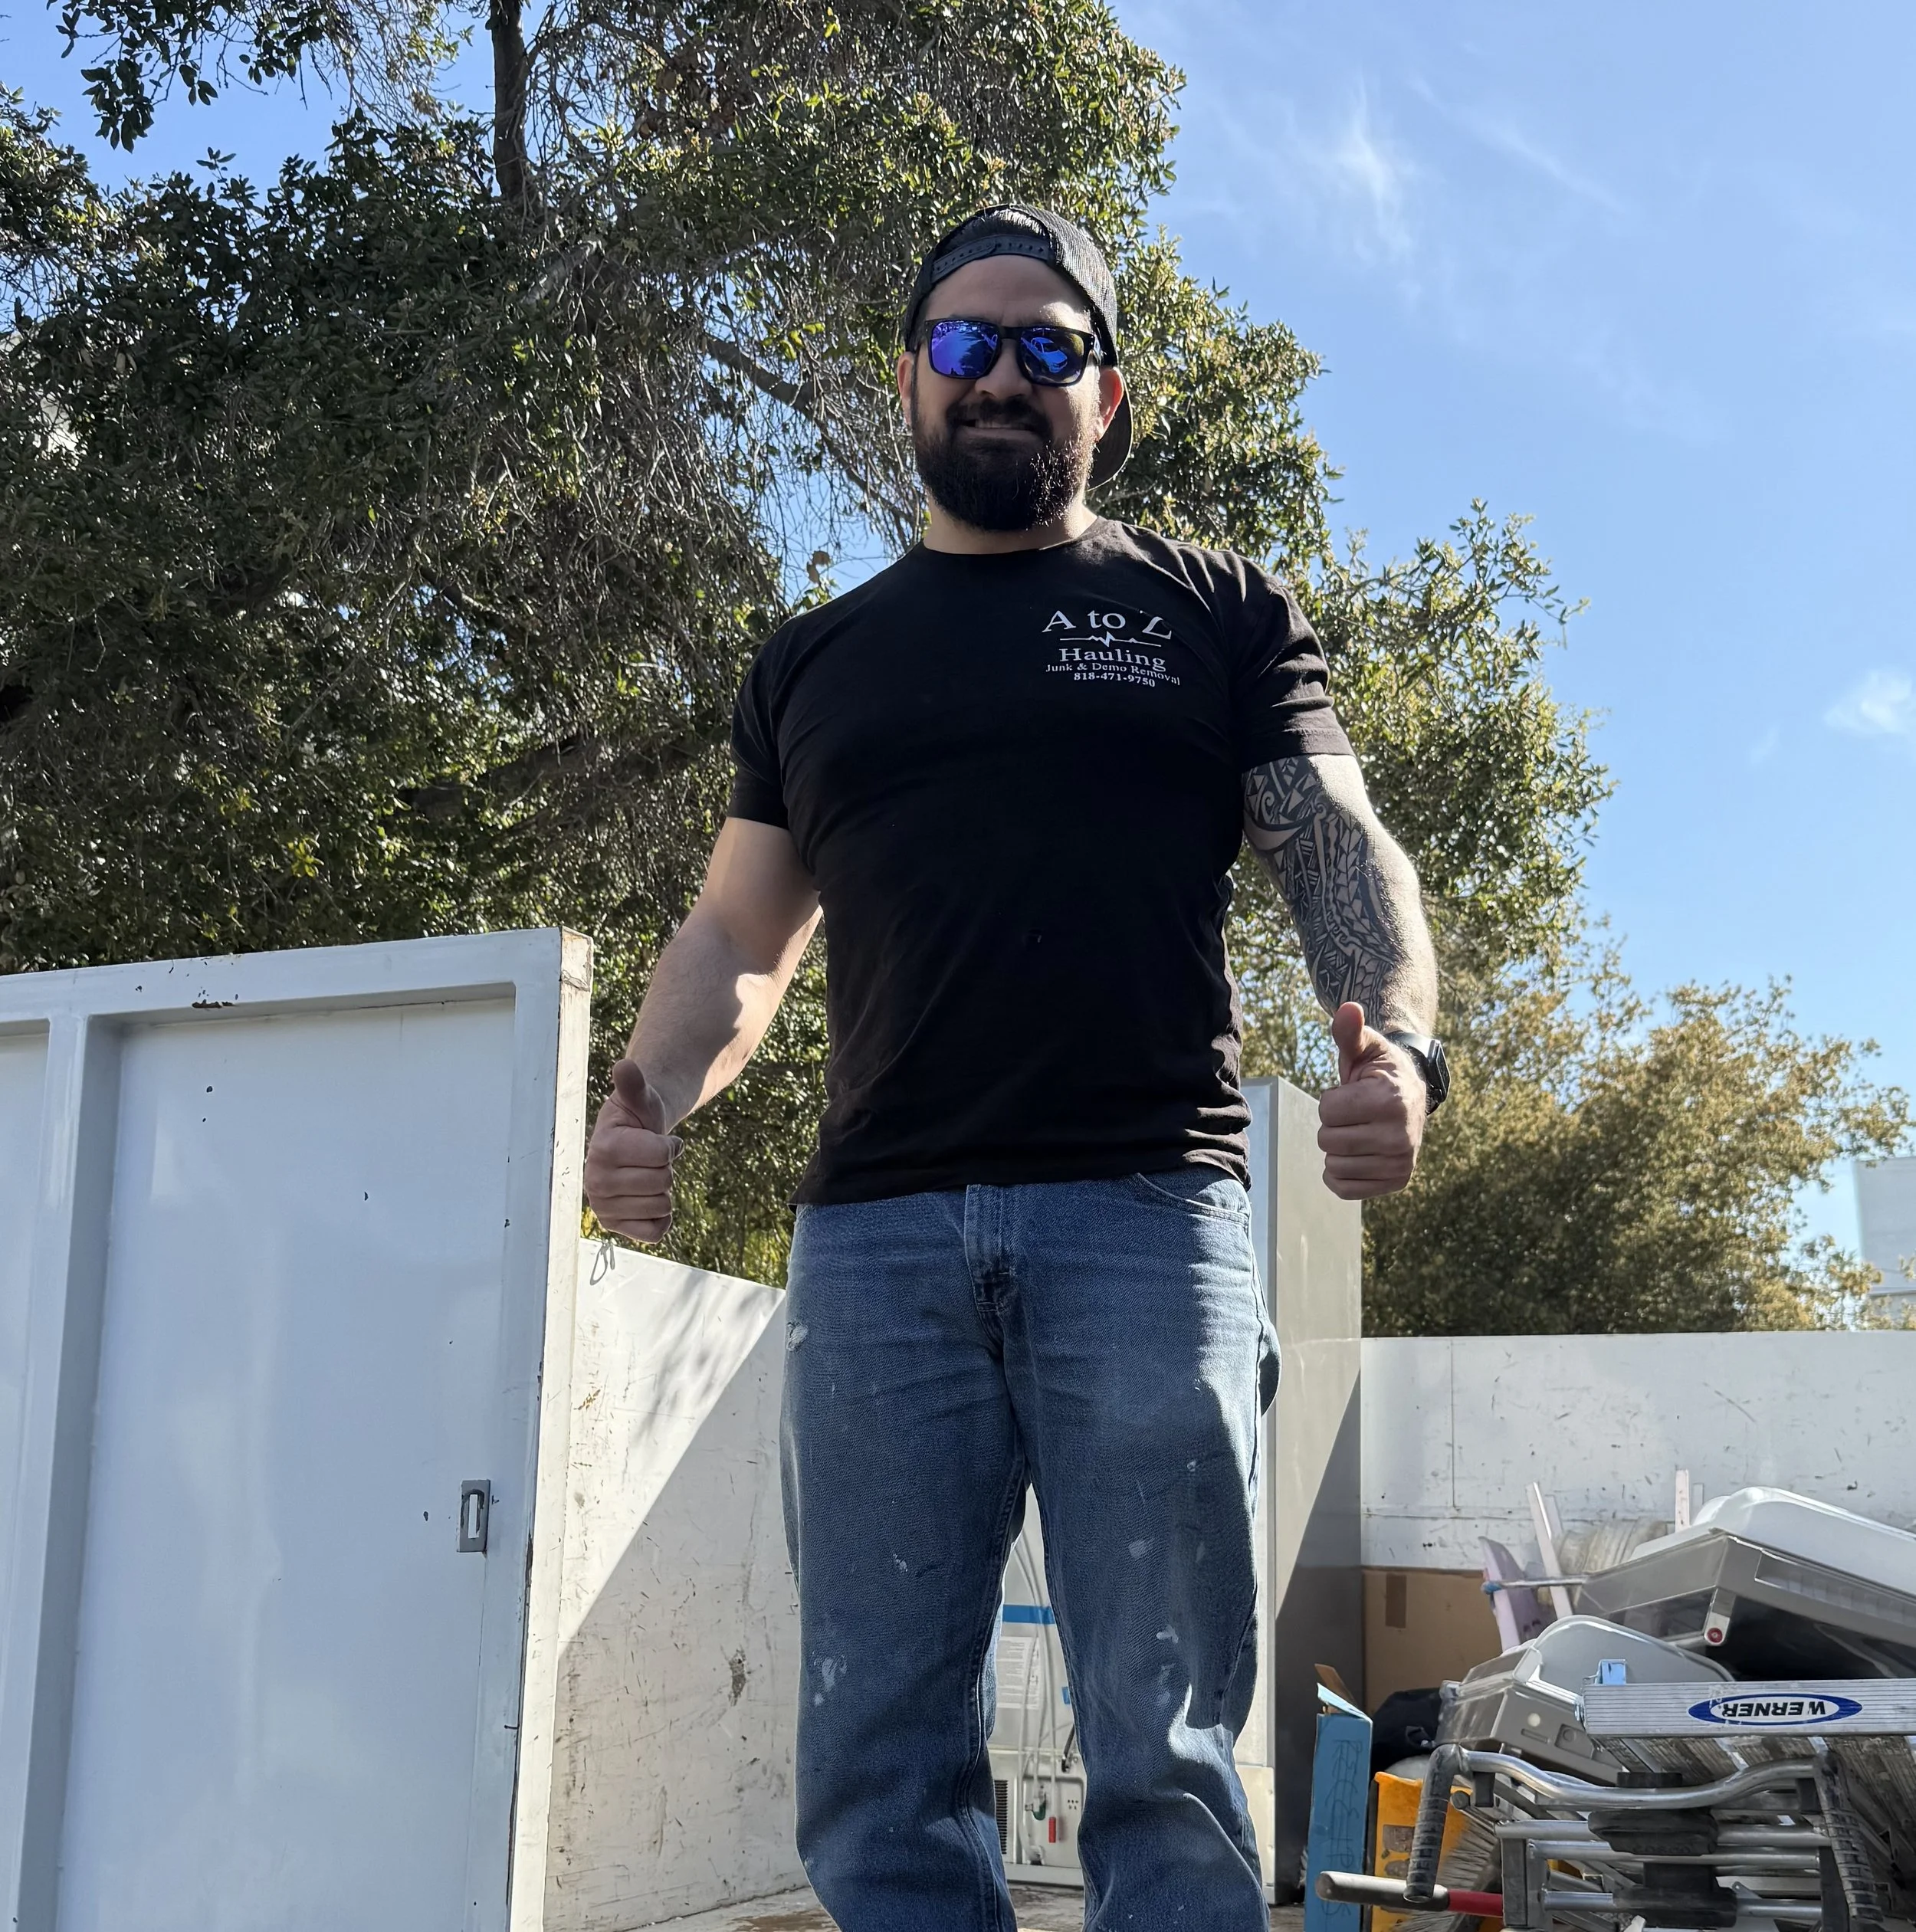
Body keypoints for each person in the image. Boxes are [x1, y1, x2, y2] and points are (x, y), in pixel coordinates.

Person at [584, 205, 1445, 1931]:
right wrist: (652, 1090)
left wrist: (1401, 1047)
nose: (1002, 375)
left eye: (1046, 348)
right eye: (966, 342)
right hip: (874, 1246)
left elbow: (1341, 846)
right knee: (877, 1758)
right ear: (908, 376)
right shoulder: (812, 663)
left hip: (1148, 1219)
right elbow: (741, 937)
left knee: (1169, 1757)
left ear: (1102, 398)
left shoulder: (1211, 610)